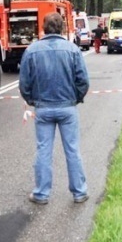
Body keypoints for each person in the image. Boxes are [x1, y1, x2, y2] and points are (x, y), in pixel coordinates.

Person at [19, 12, 90, 204]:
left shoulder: (32, 50)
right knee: (72, 150)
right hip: (67, 107)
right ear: (62, 28)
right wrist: (75, 98)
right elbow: (83, 80)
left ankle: (41, 193)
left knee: (43, 150)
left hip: (43, 108)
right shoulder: (73, 49)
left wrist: (33, 100)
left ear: (43, 27)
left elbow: (24, 83)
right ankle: (79, 192)